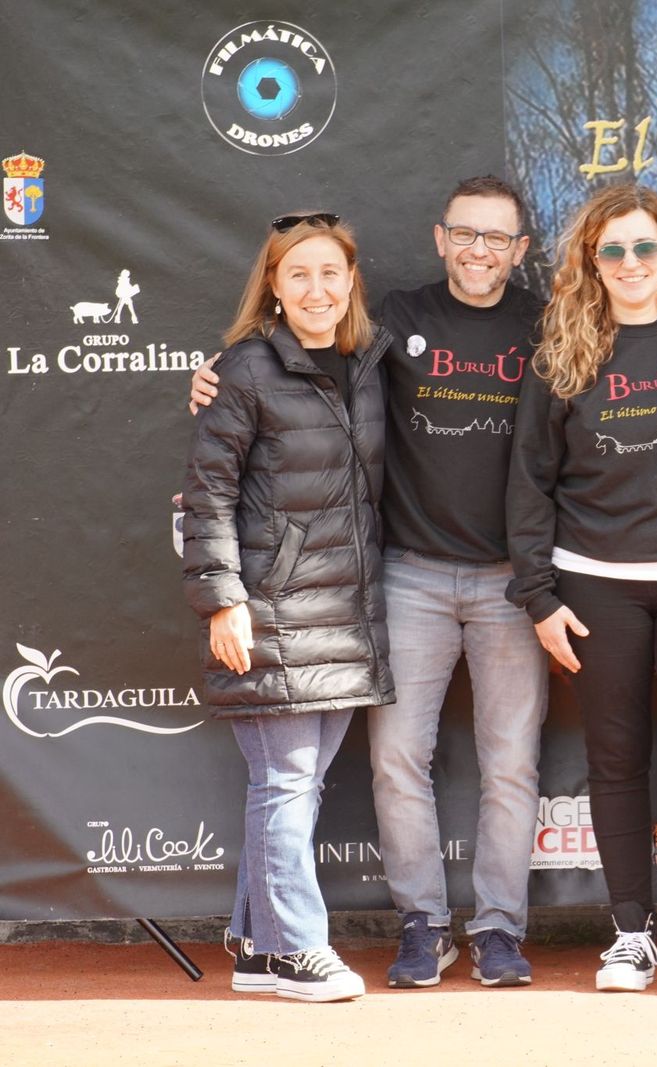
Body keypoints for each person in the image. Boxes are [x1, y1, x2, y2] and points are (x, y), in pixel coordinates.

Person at [192, 176, 550, 990]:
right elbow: (282, 366)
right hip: (408, 576)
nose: (480, 250)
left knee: (512, 764)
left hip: (512, 583)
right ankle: (424, 924)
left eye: (497, 238)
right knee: (395, 762)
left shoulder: (546, 324)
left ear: (521, 249)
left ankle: (498, 928)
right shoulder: (392, 325)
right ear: (439, 237)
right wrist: (212, 381)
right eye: (466, 233)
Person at [505, 183, 657, 1001]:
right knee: (615, 759)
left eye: (645, 247)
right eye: (612, 250)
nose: (630, 264)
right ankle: (631, 934)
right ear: (590, 261)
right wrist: (539, 597)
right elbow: (528, 484)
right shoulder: (562, 351)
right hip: (596, 585)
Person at [183, 211, 392, 1003]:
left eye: (331, 273)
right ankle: (303, 947)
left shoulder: (369, 360)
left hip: (345, 613)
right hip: (268, 606)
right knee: (286, 781)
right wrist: (222, 600)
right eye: (298, 273)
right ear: (273, 284)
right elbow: (207, 493)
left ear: (350, 284)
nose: (317, 288)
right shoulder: (244, 367)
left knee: (290, 784)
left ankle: (260, 948)